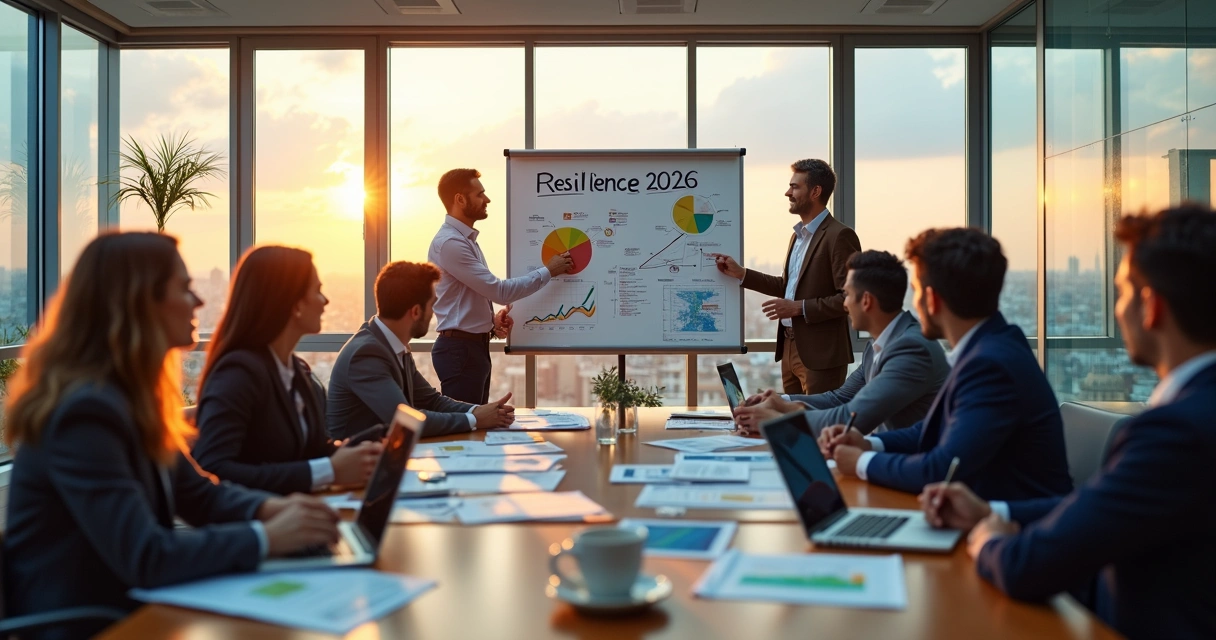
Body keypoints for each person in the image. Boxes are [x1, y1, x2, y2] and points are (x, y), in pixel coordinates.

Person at [1, 233, 340, 639]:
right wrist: (265, 537)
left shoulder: (129, 398)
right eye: (184, 288)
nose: (199, 302)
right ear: (140, 302)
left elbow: (199, 494)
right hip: (97, 625)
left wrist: (272, 511)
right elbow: (145, 555)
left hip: (140, 610)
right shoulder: (85, 413)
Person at [920, 206, 1216, 640]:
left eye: (1121, 294)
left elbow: (1029, 567)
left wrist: (990, 539)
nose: (1117, 311)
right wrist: (994, 511)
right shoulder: (1196, 415)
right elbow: (1102, 512)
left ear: (1152, 307)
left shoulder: (1177, 433)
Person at [819, 228, 1072, 501]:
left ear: (933, 299)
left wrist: (860, 463)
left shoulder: (989, 365)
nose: (913, 304)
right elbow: (935, 429)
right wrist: (869, 444)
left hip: (1013, 529)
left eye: (915, 292)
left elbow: (941, 469)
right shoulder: (992, 345)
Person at [192, 246, 383, 495]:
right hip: (263, 525)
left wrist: (355, 453)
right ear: (294, 303)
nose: (325, 301)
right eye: (317, 290)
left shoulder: (295, 370)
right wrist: (330, 470)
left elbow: (309, 450)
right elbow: (213, 470)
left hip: (298, 514)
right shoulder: (237, 373)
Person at [733, 250, 948, 437]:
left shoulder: (911, 349)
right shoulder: (880, 344)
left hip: (908, 471)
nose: (844, 304)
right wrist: (781, 401)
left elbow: (850, 418)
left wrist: (775, 420)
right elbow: (840, 398)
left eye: (846, 295)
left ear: (866, 301)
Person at [709, 159, 861, 395]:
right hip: (790, 347)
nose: (787, 192)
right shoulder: (798, 237)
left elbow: (850, 297)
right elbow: (786, 286)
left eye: (795, 186)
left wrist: (797, 308)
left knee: (815, 425)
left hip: (821, 355)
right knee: (792, 423)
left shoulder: (840, 236)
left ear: (815, 191)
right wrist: (742, 273)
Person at [428, 168, 575, 404]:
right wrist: (550, 270)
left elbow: (471, 294)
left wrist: (491, 323)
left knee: (475, 423)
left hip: (470, 348)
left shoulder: (465, 240)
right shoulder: (450, 243)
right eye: (480, 194)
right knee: (469, 426)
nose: (487, 200)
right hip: (460, 351)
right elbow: (499, 291)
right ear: (460, 199)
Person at [327, 260, 515, 440]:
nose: (434, 313)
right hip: (359, 467)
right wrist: (475, 419)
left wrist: (478, 411)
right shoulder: (366, 354)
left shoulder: (392, 345)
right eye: (432, 304)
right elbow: (405, 420)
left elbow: (431, 401)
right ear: (416, 311)